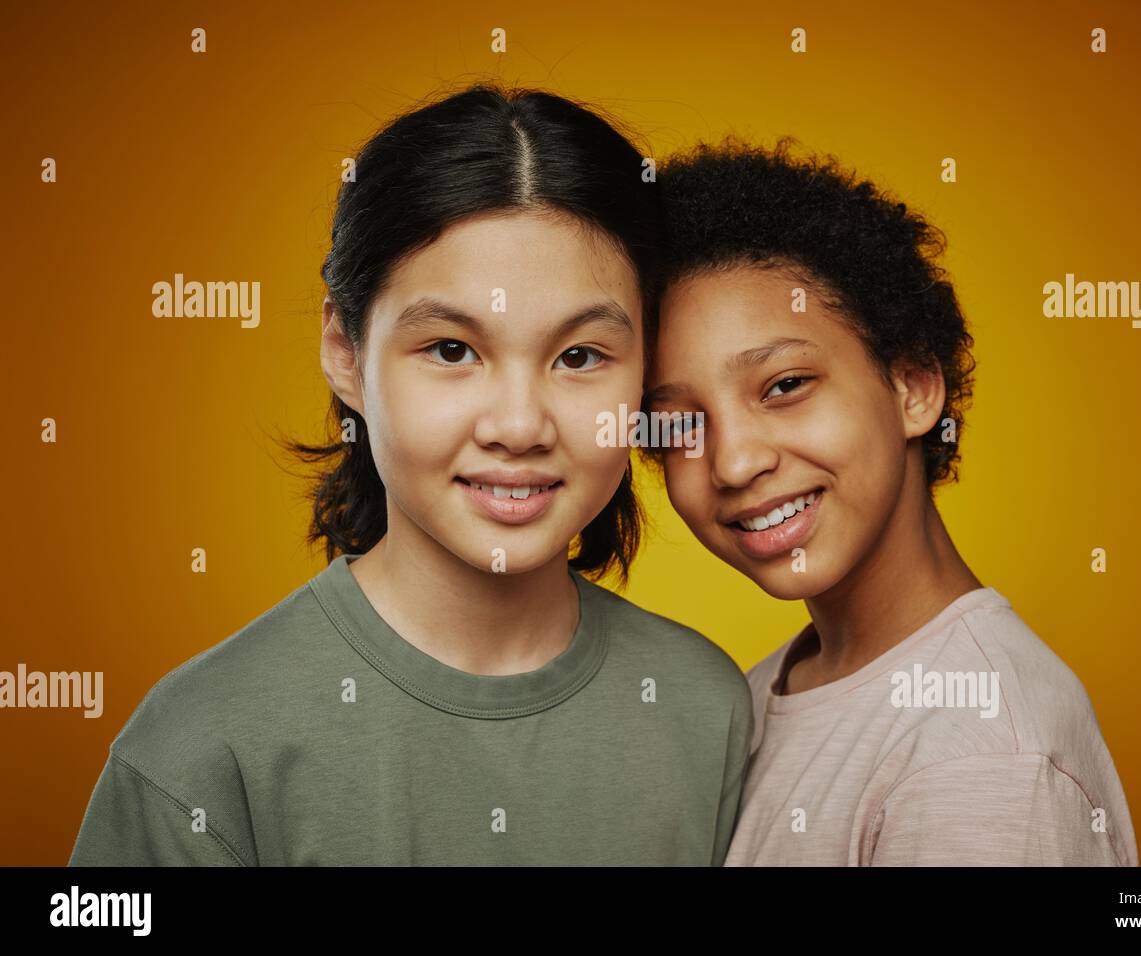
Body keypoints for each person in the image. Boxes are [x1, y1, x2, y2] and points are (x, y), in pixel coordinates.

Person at [68, 85, 753, 866]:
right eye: (452, 350)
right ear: (346, 352)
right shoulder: (200, 746)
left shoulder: (708, 710)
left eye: (579, 357)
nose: (519, 426)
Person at [643, 136, 1138, 866]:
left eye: (784, 386)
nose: (735, 460)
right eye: (681, 423)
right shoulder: (756, 696)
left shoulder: (980, 760)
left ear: (912, 388)